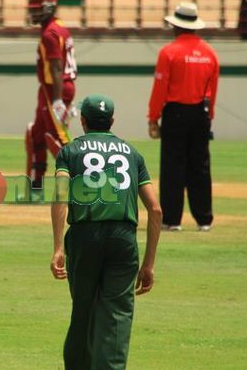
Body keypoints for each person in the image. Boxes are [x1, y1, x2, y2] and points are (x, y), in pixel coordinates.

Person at [50, 94, 162, 370]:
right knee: (117, 315)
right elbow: (156, 210)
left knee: (83, 310)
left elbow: (60, 198)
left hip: (84, 237)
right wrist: (148, 263)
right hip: (123, 240)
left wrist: (58, 248)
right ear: (112, 121)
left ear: (83, 121)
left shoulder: (70, 152)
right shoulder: (133, 154)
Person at [147, 2, 220, 232]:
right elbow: (213, 89)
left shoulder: (169, 52)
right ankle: (204, 219)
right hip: (201, 113)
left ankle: (172, 220)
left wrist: (153, 117)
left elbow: (160, 87)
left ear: (176, 26)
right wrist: (210, 115)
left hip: (175, 113)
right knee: (200, 166)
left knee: (172, 166)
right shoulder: (210, 53)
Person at [25, 0, 78, 192]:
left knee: (59, 138)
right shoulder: (59, 26)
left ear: (48, 8)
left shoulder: (50, 33)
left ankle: (80, 184)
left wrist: (57, 100)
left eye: (37, 10)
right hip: (54, 88)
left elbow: (56, 66)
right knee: (37, 134)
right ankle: (37, 183)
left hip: (54, 88)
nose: (34, 14)